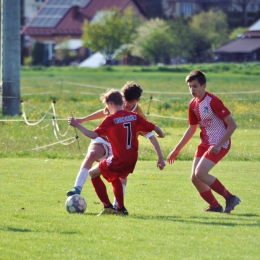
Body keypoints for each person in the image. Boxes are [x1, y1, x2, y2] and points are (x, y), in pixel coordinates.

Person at [67, 81, 165, 208]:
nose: (126, 104)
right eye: (124, 100)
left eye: (130, 102)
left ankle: (116, 206)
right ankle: (77, 188)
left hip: (119, 148)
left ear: (137, 100)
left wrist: (160, 156)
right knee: (92, 154)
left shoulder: (137, 115)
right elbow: (104, 112)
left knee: (119, 175)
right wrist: (84, 119)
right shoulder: (117, 104)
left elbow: (151, 135)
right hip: (103, 139)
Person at [167, 70, 240, 213]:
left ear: (204, 86)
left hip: (220, 143)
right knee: (195, 178)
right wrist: (176, 149)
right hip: (205, 143)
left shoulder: (213, 101)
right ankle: (215, 206)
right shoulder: (193, 104)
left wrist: (219, 145)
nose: (192, 90)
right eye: (190, 86)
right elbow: (191, 129)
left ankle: (230, 197)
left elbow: (232, 125)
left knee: (200, 173)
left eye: (195, 86)